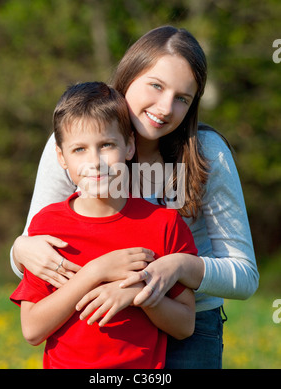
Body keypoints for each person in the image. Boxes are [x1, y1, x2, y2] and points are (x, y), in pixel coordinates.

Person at [10, 26, 259, 369]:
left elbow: (244, 274)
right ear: (128, 76)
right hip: (95, 323)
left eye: (182, 98)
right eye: (156, 86)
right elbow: (38, 250)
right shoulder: (74, 147)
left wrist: (175, 267)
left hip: (188, 324)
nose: (165, 107)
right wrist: (19, 248)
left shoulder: (205, 153)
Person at [10, 81, 197, 369]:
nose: (95, 162)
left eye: (106, 145)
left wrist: (140, 295)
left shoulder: (165, 223)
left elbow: (184, 325)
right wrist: (95, 272)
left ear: (130, 146)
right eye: (79, 149)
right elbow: (32, 330)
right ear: (61, 157)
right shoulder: (47, 225)